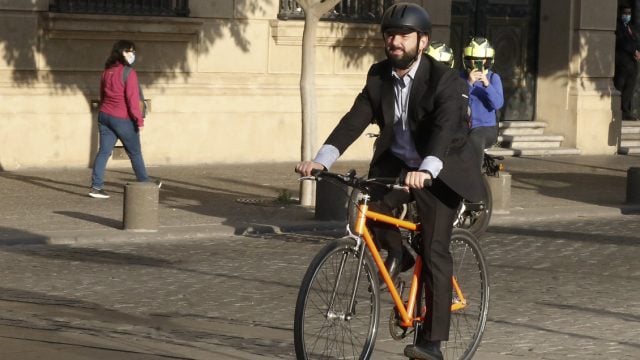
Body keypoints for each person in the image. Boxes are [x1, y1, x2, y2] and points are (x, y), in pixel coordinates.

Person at [295, 3, 484, 359]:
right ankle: (400, 257)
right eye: (389, 35)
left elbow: (444, 131)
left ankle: (432, 342)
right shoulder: (379, 75)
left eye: (403, 35)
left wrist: (426, 169)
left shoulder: (445, 80)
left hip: (442, 172)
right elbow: (354, 119)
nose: (394, 41)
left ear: (423, 41)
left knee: (434, 248)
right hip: (396, 163)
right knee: (370, 207)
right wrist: (322, 161)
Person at [89, 40, 159, 199]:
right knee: (135, 152)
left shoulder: (107, 72)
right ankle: (145, 182)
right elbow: (132, 100)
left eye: (133, 51)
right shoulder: (128, 73)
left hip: (105, 115)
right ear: (120, 53)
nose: (132, 55)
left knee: (104, 151)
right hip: (122, 118)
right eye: (128, 51)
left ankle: (96, 187)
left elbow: (103, 95)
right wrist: (139, 121)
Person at [461, 37, 504, 167]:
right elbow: (455, 100)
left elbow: (497, 104)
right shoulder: (460, 77)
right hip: (463, 126)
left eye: (481, 59)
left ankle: (475, 176)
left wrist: (486, 84)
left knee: (476, 137)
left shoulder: (493, 78)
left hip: (486, 128)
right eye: (474, 59)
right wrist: (469, 83)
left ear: (487, 60)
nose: (477, 62)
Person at [614, 4, 640, 121]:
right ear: (620, 14)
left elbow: (636, 42)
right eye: (625, 13)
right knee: (619, 86)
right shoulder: (617, 27)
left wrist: (638, 51)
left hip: (633, 64)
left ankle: (626, 112)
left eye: (629, 13)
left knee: (629, 88)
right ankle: (616, 111)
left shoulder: (631, 28)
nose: (627, 15)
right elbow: (621, 42)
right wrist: (633, 51)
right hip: (622, 63)